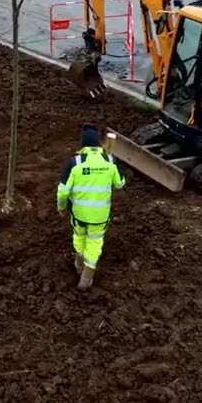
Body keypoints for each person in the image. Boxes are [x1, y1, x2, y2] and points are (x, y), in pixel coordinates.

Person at [56, 124, 125, 290]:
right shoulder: (110, 160)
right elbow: (120, 183)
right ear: (99, 143)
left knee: (79, 236)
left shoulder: (75, 162)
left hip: (79, 214)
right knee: (95, 243)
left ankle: (79, 264)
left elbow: (63, 191)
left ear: (83, 144)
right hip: (100, 216)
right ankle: (86, 279)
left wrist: (61, 206)